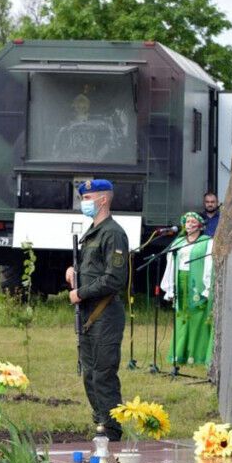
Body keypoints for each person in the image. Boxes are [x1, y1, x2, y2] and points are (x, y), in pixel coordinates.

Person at [65, 179, 129, 441]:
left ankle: (111, 430)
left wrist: (81, 292)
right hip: (89, 315)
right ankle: (100, 420)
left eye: (88, 197)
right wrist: (74, 274)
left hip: (105, 314)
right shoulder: (92, 232)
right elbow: (93, 270)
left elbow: (114, 278)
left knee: (103, 374)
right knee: (89, 373)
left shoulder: (113, 233)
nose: (84, 202)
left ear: (103, 200)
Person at [160, 211, 214, 366]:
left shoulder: (207, 242)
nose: (189, 225)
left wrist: (207, 286)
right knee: (182, 316)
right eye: (187, 222)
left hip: (197, 282)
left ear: (200, 225)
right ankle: (179, 353)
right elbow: (171, 265)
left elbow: (209, 264)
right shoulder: (178, 242)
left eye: (192, 222)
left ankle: (197, 356)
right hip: (181, 280)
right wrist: (170, 287)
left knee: (198, 317)